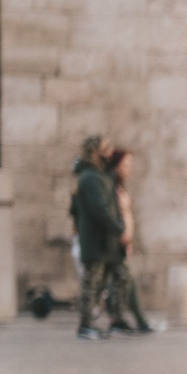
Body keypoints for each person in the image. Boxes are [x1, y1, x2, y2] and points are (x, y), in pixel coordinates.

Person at [69, 135, 123, 340]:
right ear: (94, 152)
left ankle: (97, 322)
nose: (110, 152)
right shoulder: (90, 178)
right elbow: (100, 209)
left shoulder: (98, 175)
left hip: (102, 240)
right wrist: (118, 226)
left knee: (96, 283)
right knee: (90, 283)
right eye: (105, 148)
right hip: (95, 239)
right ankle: (85, 326)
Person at [100, 146, 155, 334]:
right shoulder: (110, 185)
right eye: (126, 164)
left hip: (122, 241)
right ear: (116, 165)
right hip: (114, 242)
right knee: (122, 280)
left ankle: (122, 320)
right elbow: (110, 214)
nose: (129, 168)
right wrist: (120, 233)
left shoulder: (120, 185)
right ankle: (130, 320)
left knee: (120, 281)